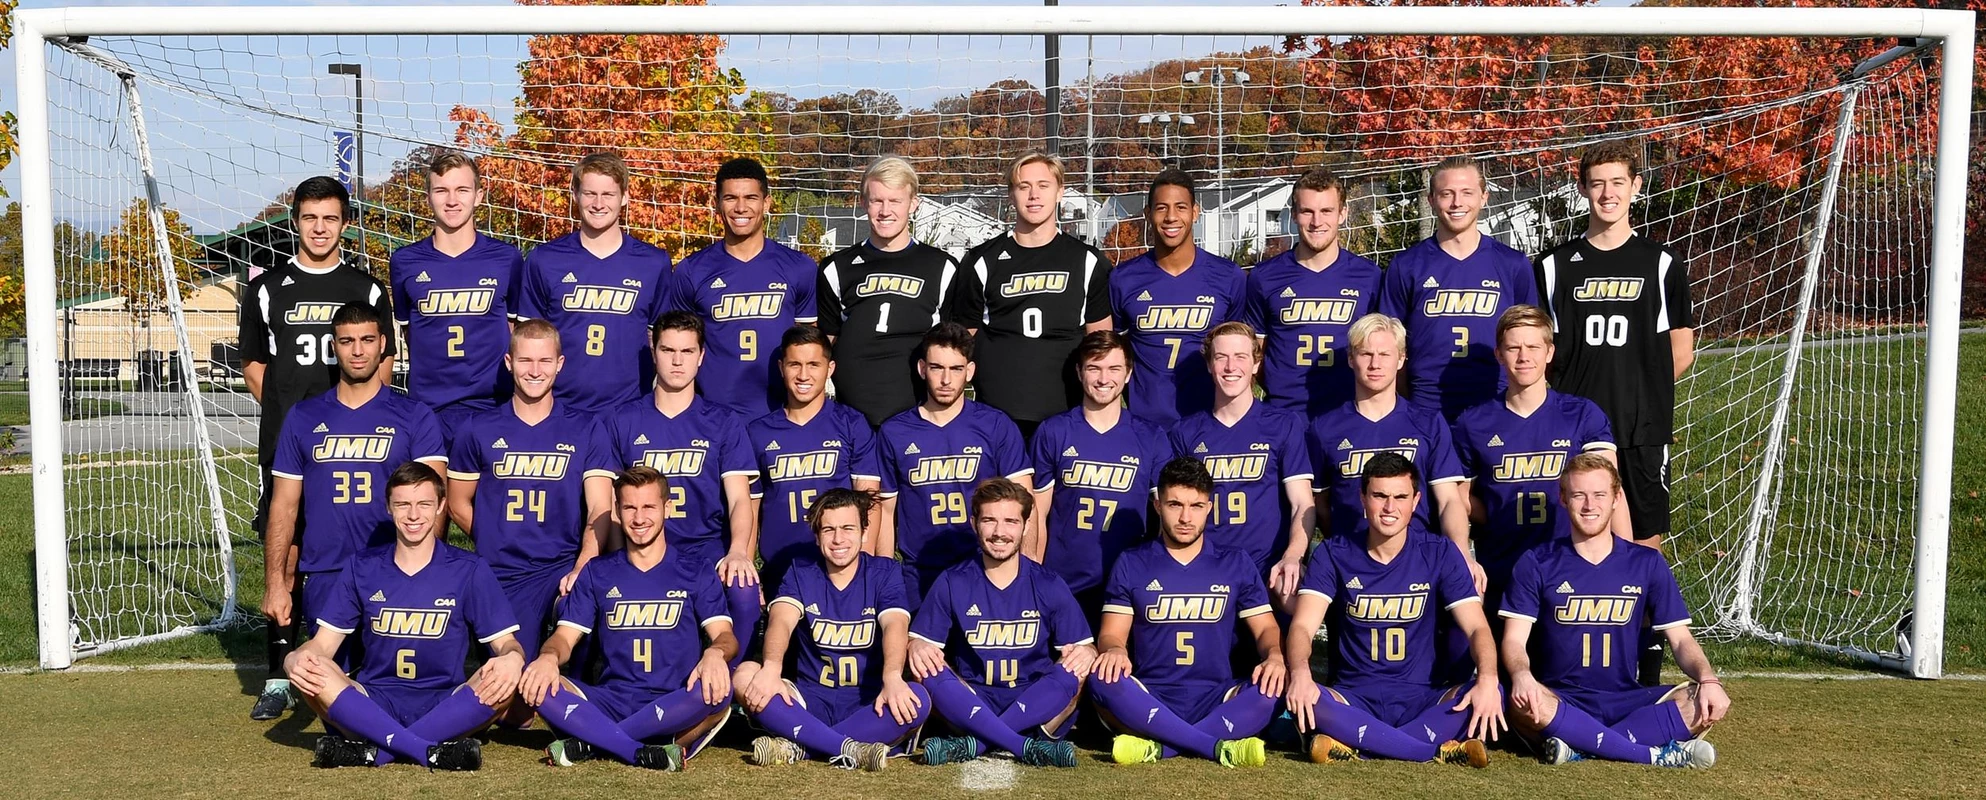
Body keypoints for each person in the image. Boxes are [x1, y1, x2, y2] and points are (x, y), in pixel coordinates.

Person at [239, 176, 396, 720]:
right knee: (286, 550)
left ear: (345, 224)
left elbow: (383, 363)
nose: (320, 228)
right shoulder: (266, 288)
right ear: (295, 223)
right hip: (292, 441)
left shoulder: (366, 288)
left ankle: (368, 664)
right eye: (310, 218)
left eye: (330, 218)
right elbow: (253, 366)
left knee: (363, 545)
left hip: (356, 444)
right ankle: (278, 673)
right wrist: (295, 419)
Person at [260, 302, 442, 718]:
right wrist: (275, 582)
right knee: (330, 693)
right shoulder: (304, 417)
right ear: (334, 347)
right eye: (346, 341)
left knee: (400, 691)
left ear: (383, 345)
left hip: (393, 570)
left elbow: (434, 503)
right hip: (328, 571)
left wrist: (428, 573)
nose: (357, 350)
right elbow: (283, 507)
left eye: (366, 340)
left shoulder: (414, 416)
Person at [288, 462, 524, 770]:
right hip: (372, 701)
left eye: (424, 504)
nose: (414, 515)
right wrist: (295, 657)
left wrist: (513, 658)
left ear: (441, 506)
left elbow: (507, 644)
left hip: (445, 704)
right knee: (313, 669)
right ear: (388, 507)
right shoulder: (362, 566)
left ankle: (376, 751)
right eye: (403, 504)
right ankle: (427, 750)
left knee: (506, 678)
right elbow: (322, 645)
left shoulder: (469, 569)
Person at [1500, 454, 1728, 768]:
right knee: (1520, 701)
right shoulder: (1537, 562)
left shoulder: (1646, 562)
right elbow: (1513, 641)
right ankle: (1647, 753)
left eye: (1599, 495)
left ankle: (1579, 746)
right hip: (1561, 699)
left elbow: (1680, 639)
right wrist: (1522, 676)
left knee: (1698, 699)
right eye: (1578, 495)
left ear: (1616, 499)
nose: (1589, 505)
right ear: (1563, 498)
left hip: (1626, 700)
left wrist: (1709, 679)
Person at [1282, 453, 1501, 767]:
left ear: (1416, 501)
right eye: (1379, 496)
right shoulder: (1333, 553)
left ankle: (1357, 743)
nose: (1389, 507)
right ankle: (1430, 749)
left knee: (1492, 692)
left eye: (1400, 497)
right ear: (1363, 499)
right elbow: (1303, 627)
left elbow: (1478, 627)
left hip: (1423, 697)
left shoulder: (1439, 552)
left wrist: (1488, 678)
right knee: (1307, 697)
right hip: (1353, 697)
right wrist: (1301, 674)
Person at [1533, 141, 1695, 552]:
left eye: (1618, 182)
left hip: (1641, 427)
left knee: (1643, 539)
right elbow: (1538, 350)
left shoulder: (1662, 263)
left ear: (1636, 186)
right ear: (1583, 188)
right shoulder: (1551, 266)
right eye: (1598, 183)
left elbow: (1681, 350)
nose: (1608, 193)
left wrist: (1642, 396)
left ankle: (1642, 599)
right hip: (1573, 427)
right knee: (1576, 532)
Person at [520, 465, 737, 770]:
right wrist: (547, 658)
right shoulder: (598, 571)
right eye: (629, 508)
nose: (639, 518)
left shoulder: (696, 569)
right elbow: (563, 639)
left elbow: (725, 636)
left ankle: (594, 742)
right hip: (612, 700)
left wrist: (715, 653)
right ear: (617, 512)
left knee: (718, 690)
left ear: (667, 508)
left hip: (676, 697)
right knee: (538, 682)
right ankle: (640, 749)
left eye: (649, 507)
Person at [1089, 457, 1280, 767]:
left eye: (1196, 506)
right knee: (1101, 678)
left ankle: (1159, 748)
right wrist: (1114, 651)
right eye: (1175, 504)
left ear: (1210, 507)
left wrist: (1274, 656)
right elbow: (1111, 633)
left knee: (1274, 685)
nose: (1185, 517)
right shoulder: (1132, 562)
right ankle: (1214, 746)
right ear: (1157, 505)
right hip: (1149, 696)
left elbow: (1266, 630)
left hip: (1217, 697)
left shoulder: (1234, 562)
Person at [446, 320, 617, 660]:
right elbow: (456, 502)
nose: (535, 371)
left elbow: (601, 506)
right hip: (503, 570)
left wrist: (582, 565)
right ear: (509, 362)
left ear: (560, 364)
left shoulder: (586, 427)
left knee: (585, 624)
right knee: (514, 684)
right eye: (525, 360)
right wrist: (494, 537)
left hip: (562, 563)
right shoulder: (477, 428)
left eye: (544, 361)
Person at [605, 311, 762, 664]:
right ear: (653, 351)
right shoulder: (623, 420)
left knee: (744, 592)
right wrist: (618, 558)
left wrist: (738, 551)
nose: (677, 361)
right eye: (668, 350)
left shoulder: (723, 421)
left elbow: (740, 499)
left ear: (701, 356)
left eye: (687, 351)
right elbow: (612, 503)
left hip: (706, 547)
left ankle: (732, 682)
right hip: (644, 548)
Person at [734, 488, 930, 771]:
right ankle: (850, 748)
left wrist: (892, 677)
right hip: (808, 701)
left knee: (919, 698)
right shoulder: (801, 571)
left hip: (867, 702)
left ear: (864, 532)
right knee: (744, 676)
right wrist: (772, 667)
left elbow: (895, 625)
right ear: (817, 537)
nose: (838, 539)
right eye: (828, 530)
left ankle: (800, 747)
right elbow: (781, 620)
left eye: (848, 528)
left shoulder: (884, 572)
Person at [907, 478, 1095, 768]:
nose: (999, 532)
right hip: (971, 701)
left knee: (1077, 666)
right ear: (974, 523)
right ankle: (1023, 745)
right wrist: (916, 645)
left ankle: (979, 743)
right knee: (924, 666)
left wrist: (1086, 653)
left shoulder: (1048, 583)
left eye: (1010, 521)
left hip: (1036, 700)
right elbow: (920, 643)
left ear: (1026, 526)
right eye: (989, 520)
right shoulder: (953, 580)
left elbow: (1087, 648)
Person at [1452, 305, 1620, 618]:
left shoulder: (1582, 414)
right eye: (1513, 348)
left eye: (1533, 347)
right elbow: (1458, 496)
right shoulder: (1472, 423)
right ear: (1499, 355)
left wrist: (1621, 556)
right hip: (1501, 564)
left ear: (1549, 352)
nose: (1523, 357)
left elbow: (1609, 492)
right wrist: (1497, 511)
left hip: (1571, 561)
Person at [1306, 314, 1479, 592]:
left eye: (1385, 354)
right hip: (1351, 565)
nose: (1375, 364)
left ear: (1401, 359)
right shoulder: (1324, 428)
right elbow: (1321, 505)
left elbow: (1449, 500)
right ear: (1350, 359)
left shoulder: (1428, 423)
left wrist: (1460, 555)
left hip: (1419, 562)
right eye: (1366, 354)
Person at [952, 151, 1113, 439]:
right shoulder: (980, 261)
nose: (1034, 195)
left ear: (1060, 192)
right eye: (1023, 186)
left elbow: (1102, 344)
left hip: (1068, 412)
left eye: (1043, 185)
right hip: (998, 414)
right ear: (1011, 195)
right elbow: (962, 342)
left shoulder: (1088, 261)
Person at [877, 322, 1032, 608]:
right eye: (937, 368)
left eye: (956, 369)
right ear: (922, 369)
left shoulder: (995, 425)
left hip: (984, 568)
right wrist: (885, 578)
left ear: (969, 371)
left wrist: (1025, 572)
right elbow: (885, 513)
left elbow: (1025, 505)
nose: (946, 379)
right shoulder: (895, 432)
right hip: (919, 572)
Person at [1378, 155, 1537, 421]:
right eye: (1446, 194)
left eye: (1467, 192)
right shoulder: (1406, 265)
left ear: (1484, 197)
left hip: (1497, 404)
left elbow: (1531, 341)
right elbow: (1388, 346)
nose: (1457, 203)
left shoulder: (1513, 264)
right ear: (1431, 200)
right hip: (1426, 407)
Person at [1168, 321, 1315, 608]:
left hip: (1268, 564)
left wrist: (1293, 556)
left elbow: (1302, 503)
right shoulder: (1185, 432)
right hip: (1209, 564)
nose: (1230, 367)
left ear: (1256, 363)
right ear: (1209, 365)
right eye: (1221, 357)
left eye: (1240, 357)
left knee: (1293, 599)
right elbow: (1174, 510)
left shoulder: (1283, 424)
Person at [513, 151, 672, 414]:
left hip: (630, 410)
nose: (598, 204)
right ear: (575, 195)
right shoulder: (544, 259)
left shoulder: (654, 263)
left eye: (608, 194)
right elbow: (527, 341)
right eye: (590, 193)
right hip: (560, 410)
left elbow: (664, 340)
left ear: (625, 197)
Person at [1029, 330, 1171, 620]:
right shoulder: (1054, 431)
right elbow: (1036, 514)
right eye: (1094, 368)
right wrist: (1033, 574)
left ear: (1128, 374)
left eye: (1114, 369)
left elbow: (1166, 516)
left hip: (1127, 584)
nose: (1104, 379)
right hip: (1064, 583)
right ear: (1079, 372)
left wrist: (1153, 574)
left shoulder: (1151, 436)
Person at [389, 149, 523, 444]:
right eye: (441, 190)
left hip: (494, 406)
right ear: (428, 197)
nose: (452, 200)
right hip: (429, 410)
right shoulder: (405, 261)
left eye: (462, 189)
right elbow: (410, 331)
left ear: (478, 196)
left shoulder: (506, 258)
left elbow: (513, 328)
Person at [817, 156, 963, 427]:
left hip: (919, 417)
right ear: (863, 203)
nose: (885, 211)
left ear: (914, 204)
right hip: (853, 416)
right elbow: (826, 343)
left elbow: (952, 346)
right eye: (877, 201)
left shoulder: (943, 267)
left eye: (895, 201)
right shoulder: (836, 268)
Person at [668, 157, 818, 414]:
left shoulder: (799, 267)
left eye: (750, 198)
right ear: (716, 203)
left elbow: (809, 346)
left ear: (766, 203)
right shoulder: (691, 270)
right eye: (730, 198)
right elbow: (676, 346)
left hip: (780, 413)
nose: (740, 207)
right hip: (712, 415)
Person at [747, 326, 884, 596]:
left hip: (839, 565)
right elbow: (750, 509)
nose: (803, 375)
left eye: (813, 365)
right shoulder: (758, 432)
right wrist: (750, 567)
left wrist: (863, 565)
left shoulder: (852, 424)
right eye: (794, 364)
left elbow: (869, 499)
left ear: (830, 368)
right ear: (781, 367)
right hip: (780, 566)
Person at [1108, 168, 1246, 426]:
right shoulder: (1123, 279)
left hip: (1211, 423)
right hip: (1145, 426)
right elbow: (1115, 354)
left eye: (1180, 207)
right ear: (1148, 214)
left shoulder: (1229, 276)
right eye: (1161, 208)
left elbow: (1239, 352)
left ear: (1195, 212)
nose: (1171, 217)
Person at [1241, 168, 1383, 418]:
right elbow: (1256, 353)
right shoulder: (1264, 277)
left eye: (1326, 211)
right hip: (1284, 415)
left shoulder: (1369, 276)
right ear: (1294, 214)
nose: (1317, 222)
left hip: (1348, 413)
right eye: (1307, 211)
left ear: (1343, 214)